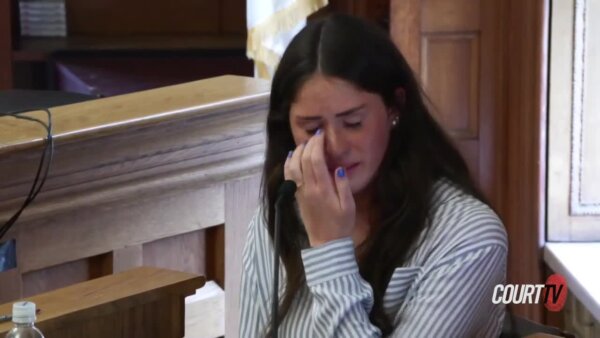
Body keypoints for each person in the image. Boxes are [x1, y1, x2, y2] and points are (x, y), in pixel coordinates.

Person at [239, 14, 508, 337]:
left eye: (353, 123)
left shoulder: (469, 237)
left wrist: (328, 248)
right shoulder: (278, 214)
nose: (334, 147)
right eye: (312, 129)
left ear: (395, 108)